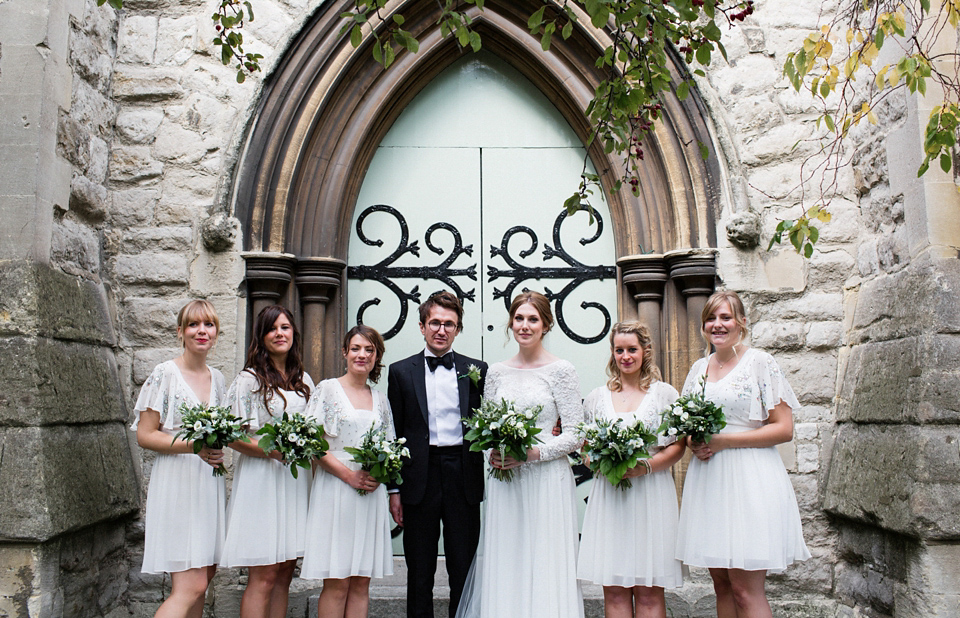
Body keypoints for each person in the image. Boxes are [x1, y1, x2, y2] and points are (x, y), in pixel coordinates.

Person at [675, 290, 810, 618]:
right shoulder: (698, 369)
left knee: (745, 589)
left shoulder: (760, 363)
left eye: (726, 317)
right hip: (710, 482)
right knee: (721, 585)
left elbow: (783, 428)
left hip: (749, 479)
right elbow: (687, 424)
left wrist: (723, 442)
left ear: (742, 323)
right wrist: (694, 440)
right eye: (711, 318)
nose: (717, 324)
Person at [456, 291, 584, 618]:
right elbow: (485, 427)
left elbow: (576, 433)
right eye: (518, 318)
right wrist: (493, 454)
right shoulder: (497, 372)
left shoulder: (561, 370)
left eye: (532, 319)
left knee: (545, 557)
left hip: (547, 478)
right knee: (507, 556)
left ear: (546, 325)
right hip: (506, 480)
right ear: (511, 322)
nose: (524, 326)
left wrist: (533, 454)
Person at [387, 290, 488, 618]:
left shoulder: (477, 369)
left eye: (449, 324)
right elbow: (395, 433)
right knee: (419, 570)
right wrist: (394, 489)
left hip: (463, 474)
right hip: (419, 476)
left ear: (458, 329)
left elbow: (494, 416)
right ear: (421, 326)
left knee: (463, 567)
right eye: (435, 323)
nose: (441, 330)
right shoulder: (401, 372)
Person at [578, 321, 685, 618]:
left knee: (649, 591)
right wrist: (599, 462)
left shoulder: (665, 394)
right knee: (614, 589)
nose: (625, 356)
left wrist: (646, 467)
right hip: (610, 497)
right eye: (619, 350)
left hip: (651, 494)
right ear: (612, 353)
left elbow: (678, 445)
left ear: (645, 351)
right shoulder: (598, 397)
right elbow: (585, 445)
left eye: (632, 349)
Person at [131, 299, 227, 618]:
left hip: (207, 487)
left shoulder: (219, 378)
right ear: (180, 332)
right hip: (178, 484)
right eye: (193, 325)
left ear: (216, 331)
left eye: (209, 324)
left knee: (205, 578)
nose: (202, 331)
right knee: (192, 586)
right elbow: (146, 434)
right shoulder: (165, 374)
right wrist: (194, 447)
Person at [221, 305, 314, 618]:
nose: (280, 334)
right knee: (264, 574)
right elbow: (231, 434)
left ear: (293, 334)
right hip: (261, 482)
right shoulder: (249, 381)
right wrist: (271, 450)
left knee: (286, 571)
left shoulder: (305, 381)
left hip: (294, 483)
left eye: (285, 327)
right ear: (261, 337)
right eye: (272, 329)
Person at [301, 324, 395, 618]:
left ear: (376, 356)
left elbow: (391, 446)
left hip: (368, 496)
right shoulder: (327, 389)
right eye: (356, 348)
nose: (362, 355)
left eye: (369, 350)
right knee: (338, 582)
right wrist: (348, 475)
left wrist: (378, 475)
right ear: (344, 352)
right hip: (336, 491)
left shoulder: (380, 399)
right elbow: (311, 444)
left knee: (360, 584)